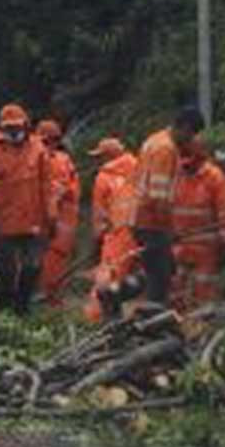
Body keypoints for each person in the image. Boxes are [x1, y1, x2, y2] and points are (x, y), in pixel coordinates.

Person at [122, 105, 225, 313]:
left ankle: (136, 305)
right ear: (183, 127)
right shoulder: (166, 150)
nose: (189, 140)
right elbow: (159, 200)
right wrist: (169, 232)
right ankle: (150, 322)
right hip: (153, 224)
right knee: (160, 279)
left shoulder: (154, 141)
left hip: (145, 223)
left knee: (159, 276)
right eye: (191, 134)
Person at [0, 104, 57, 314]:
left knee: (33, 267)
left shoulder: (38, 150)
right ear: (2, 128)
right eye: (9, 128)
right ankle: (3, 310)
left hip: (34, 221)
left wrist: (51, 214)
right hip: (3, 224)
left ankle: (22, 308)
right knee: (6, 271)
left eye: (18, 127)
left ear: (26, 126)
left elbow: (47, 185)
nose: (14, 131)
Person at [83, 138, 139, 323]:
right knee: (132, 279)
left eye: (100, 156)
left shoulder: (103, 177)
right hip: (141, 233)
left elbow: (99, 217)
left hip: (116, 235)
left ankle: (94, 321)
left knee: (105, 281)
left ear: (108, 156)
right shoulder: (139, 168)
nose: (97, 161)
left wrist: (96, 243)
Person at [36, 119, 80, 306]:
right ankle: (51, 300)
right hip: (56, 222)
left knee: (51, 262)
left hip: (54, 222)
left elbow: (72, 190)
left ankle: (50, 301)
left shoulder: (48, 160)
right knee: (52, 262)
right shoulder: (64, 160)